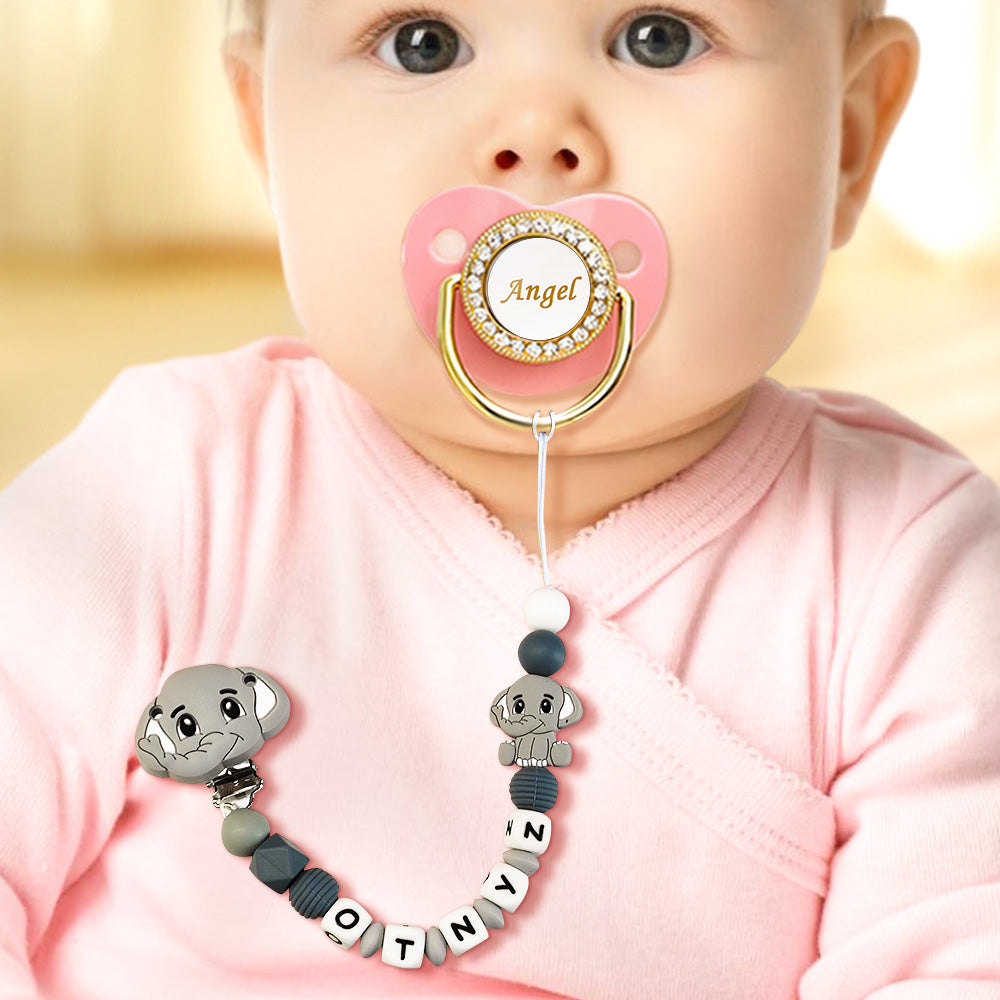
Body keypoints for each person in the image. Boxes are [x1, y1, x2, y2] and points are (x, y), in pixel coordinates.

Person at [1, 0, 998, 996]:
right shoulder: (168, 485)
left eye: (658, 37)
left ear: (851, 137)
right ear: (268, 132)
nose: (533, 132)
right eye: (421, 43)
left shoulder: (917, 575)